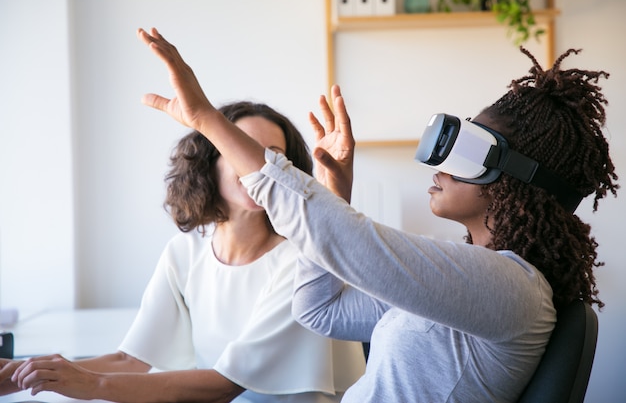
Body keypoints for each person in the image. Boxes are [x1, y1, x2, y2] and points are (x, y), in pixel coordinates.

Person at [21, 27, 617, 402]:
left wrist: (208, 119)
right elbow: (321, 309)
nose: (438, 163)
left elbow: (345, 240)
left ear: (515, 179)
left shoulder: (510, 286)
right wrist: (334, 188)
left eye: (467, 149)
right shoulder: (466, 278)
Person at [0, 100, 366, 403]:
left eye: (274, 155)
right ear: (210, 163)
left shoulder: (300, 259)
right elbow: (132, 359)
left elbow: (225, 385)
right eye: (242, 149)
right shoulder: (184, 253)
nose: (260, 166)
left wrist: (92, 385)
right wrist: (22, 375)